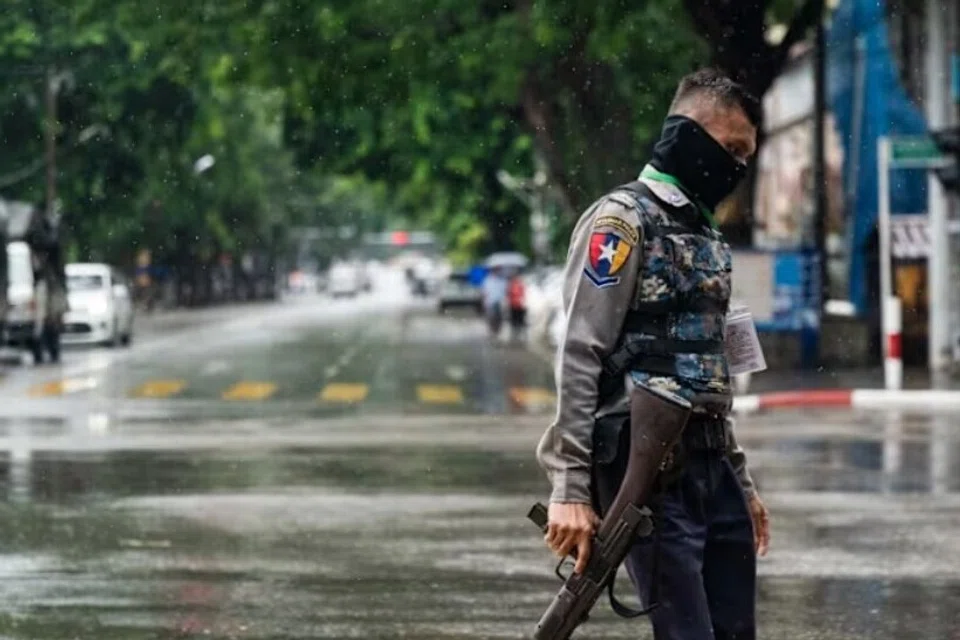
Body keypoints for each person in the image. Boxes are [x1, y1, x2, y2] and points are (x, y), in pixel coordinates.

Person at [535, 68, 771, 640]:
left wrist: (741, 482)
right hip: (647, 469)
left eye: (747, 156)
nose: (738, 168)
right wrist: (570, 487)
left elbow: (711, 372)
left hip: (712, 464)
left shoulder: (707, 234)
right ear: (689, 135)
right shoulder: (622, 221)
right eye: (732, 150)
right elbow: (581, 352)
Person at [481, 266, 508, 339]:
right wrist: (484, 301)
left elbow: (505, 291)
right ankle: (492, 331)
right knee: (491, 317)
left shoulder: (502, 280)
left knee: (500, 318)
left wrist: (505, 301)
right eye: (496, 270)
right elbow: (484, 291)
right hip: (490, 301)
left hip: (500, 302)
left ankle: (497, 332)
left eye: (498, 270)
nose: (497, 272)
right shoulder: (488, 280)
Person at [507, 271, 527, 342]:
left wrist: (522, 301)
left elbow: (523, 294)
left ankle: (520, 335)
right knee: (514, 321)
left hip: (520, 305)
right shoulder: (510, 285)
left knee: (521, 321)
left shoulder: (521, 285)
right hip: (513, 305)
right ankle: (514, 335)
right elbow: (508, 295)